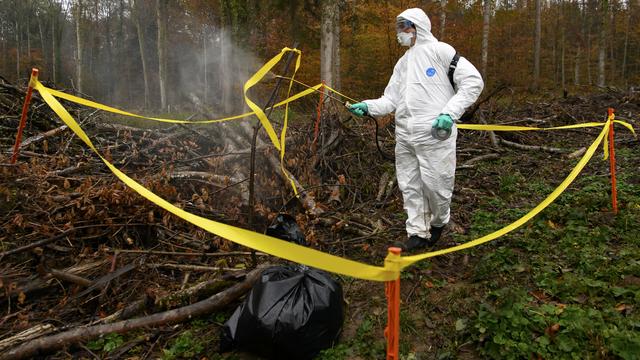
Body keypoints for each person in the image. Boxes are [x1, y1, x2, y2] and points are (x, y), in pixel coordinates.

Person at [348, 8, 484, 251]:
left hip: (434, 134)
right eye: (399, 27)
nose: (401, 32)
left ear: (418, 27)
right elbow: (390, 100)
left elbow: (473, 82)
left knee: (436, 184)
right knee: (410, 184)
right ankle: (417, 233)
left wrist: (449, 113)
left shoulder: (440, 51)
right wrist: (368, 107)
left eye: (405, 27)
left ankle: (440, 222)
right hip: (405, 134)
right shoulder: (403, 63)